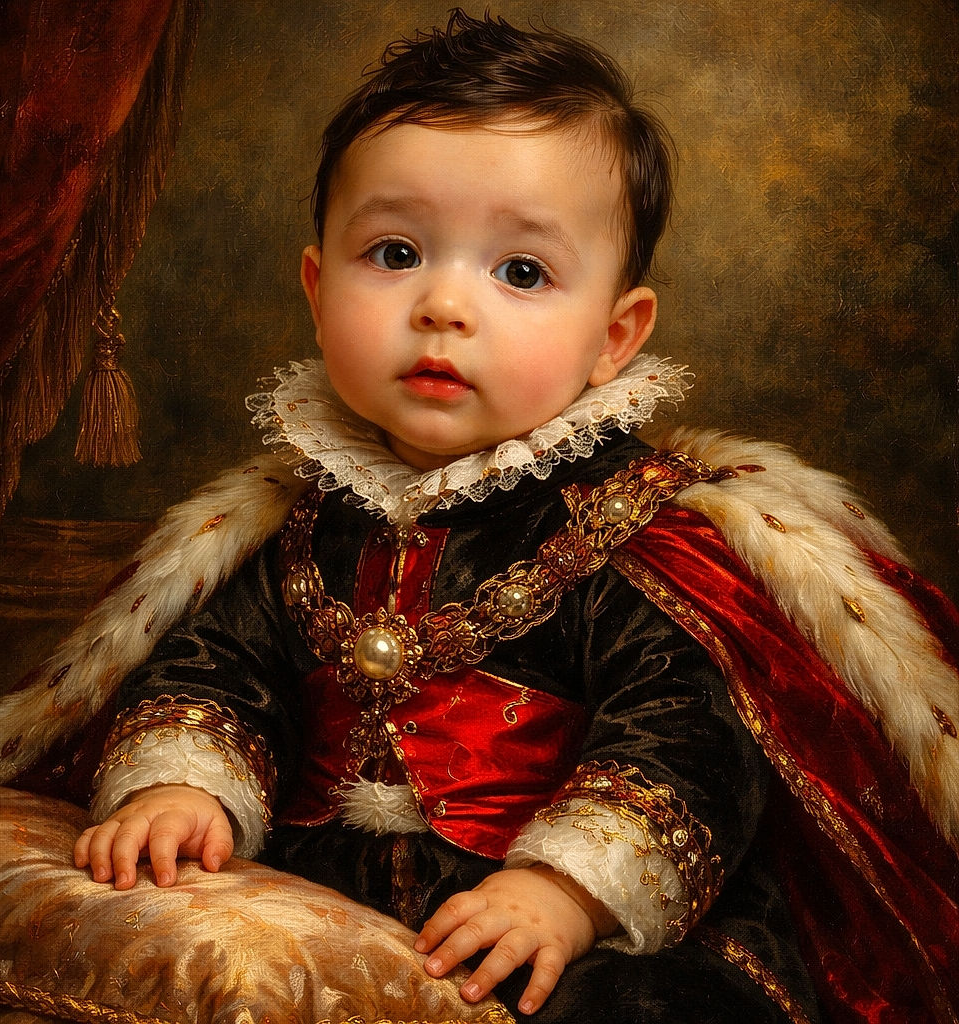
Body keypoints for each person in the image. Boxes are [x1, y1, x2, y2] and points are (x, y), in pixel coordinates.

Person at [70, 10, 958, 1023]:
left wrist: (566, 892)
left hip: (590, 933)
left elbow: (686, 740)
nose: (444, 305)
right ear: (316, 293)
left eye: (521, 273)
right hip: (336, 886)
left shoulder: (634, 532)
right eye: (395, 252)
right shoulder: (295, 522)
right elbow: (213, 668)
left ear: (612, 337)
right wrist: (181, 791)